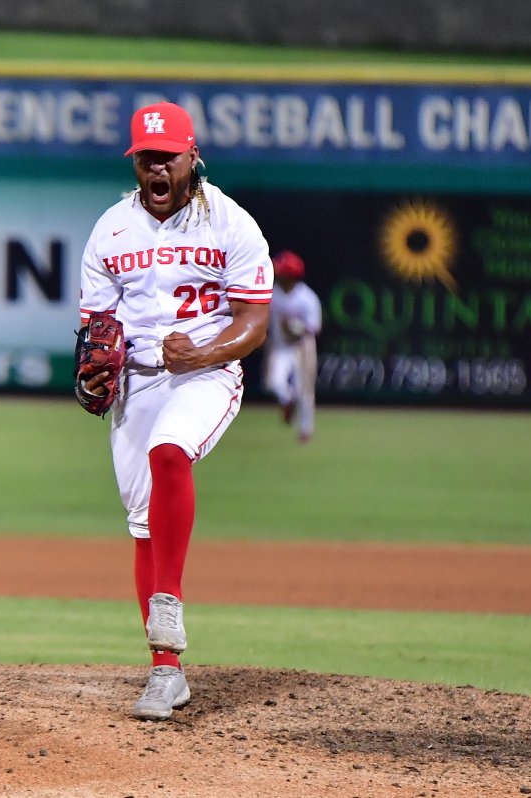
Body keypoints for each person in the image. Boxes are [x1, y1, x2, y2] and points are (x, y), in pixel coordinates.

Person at [77, 101, 273, 720]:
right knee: (142, 526)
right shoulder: (110, 230)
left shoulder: (231, 224)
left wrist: (206, 352)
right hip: (138, 386)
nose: (157, 169)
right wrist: (94, 363)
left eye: (168, 157)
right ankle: (167, 672)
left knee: (170, 452)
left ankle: (169, 606)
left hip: (208, 375)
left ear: (193, 157)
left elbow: (255, 321)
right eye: (146, 158)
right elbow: (96, 325)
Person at [263, 250, 323, 443]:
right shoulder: (273, 293)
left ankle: (306, 430)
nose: (278, 275)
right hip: (280, 347)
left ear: (292, 276)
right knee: (273, 383)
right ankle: (288, 399)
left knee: (305, 388)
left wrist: (295, 329)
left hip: (302, 347)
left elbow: (314, 328)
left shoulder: (307, 298)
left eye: (282, 273)